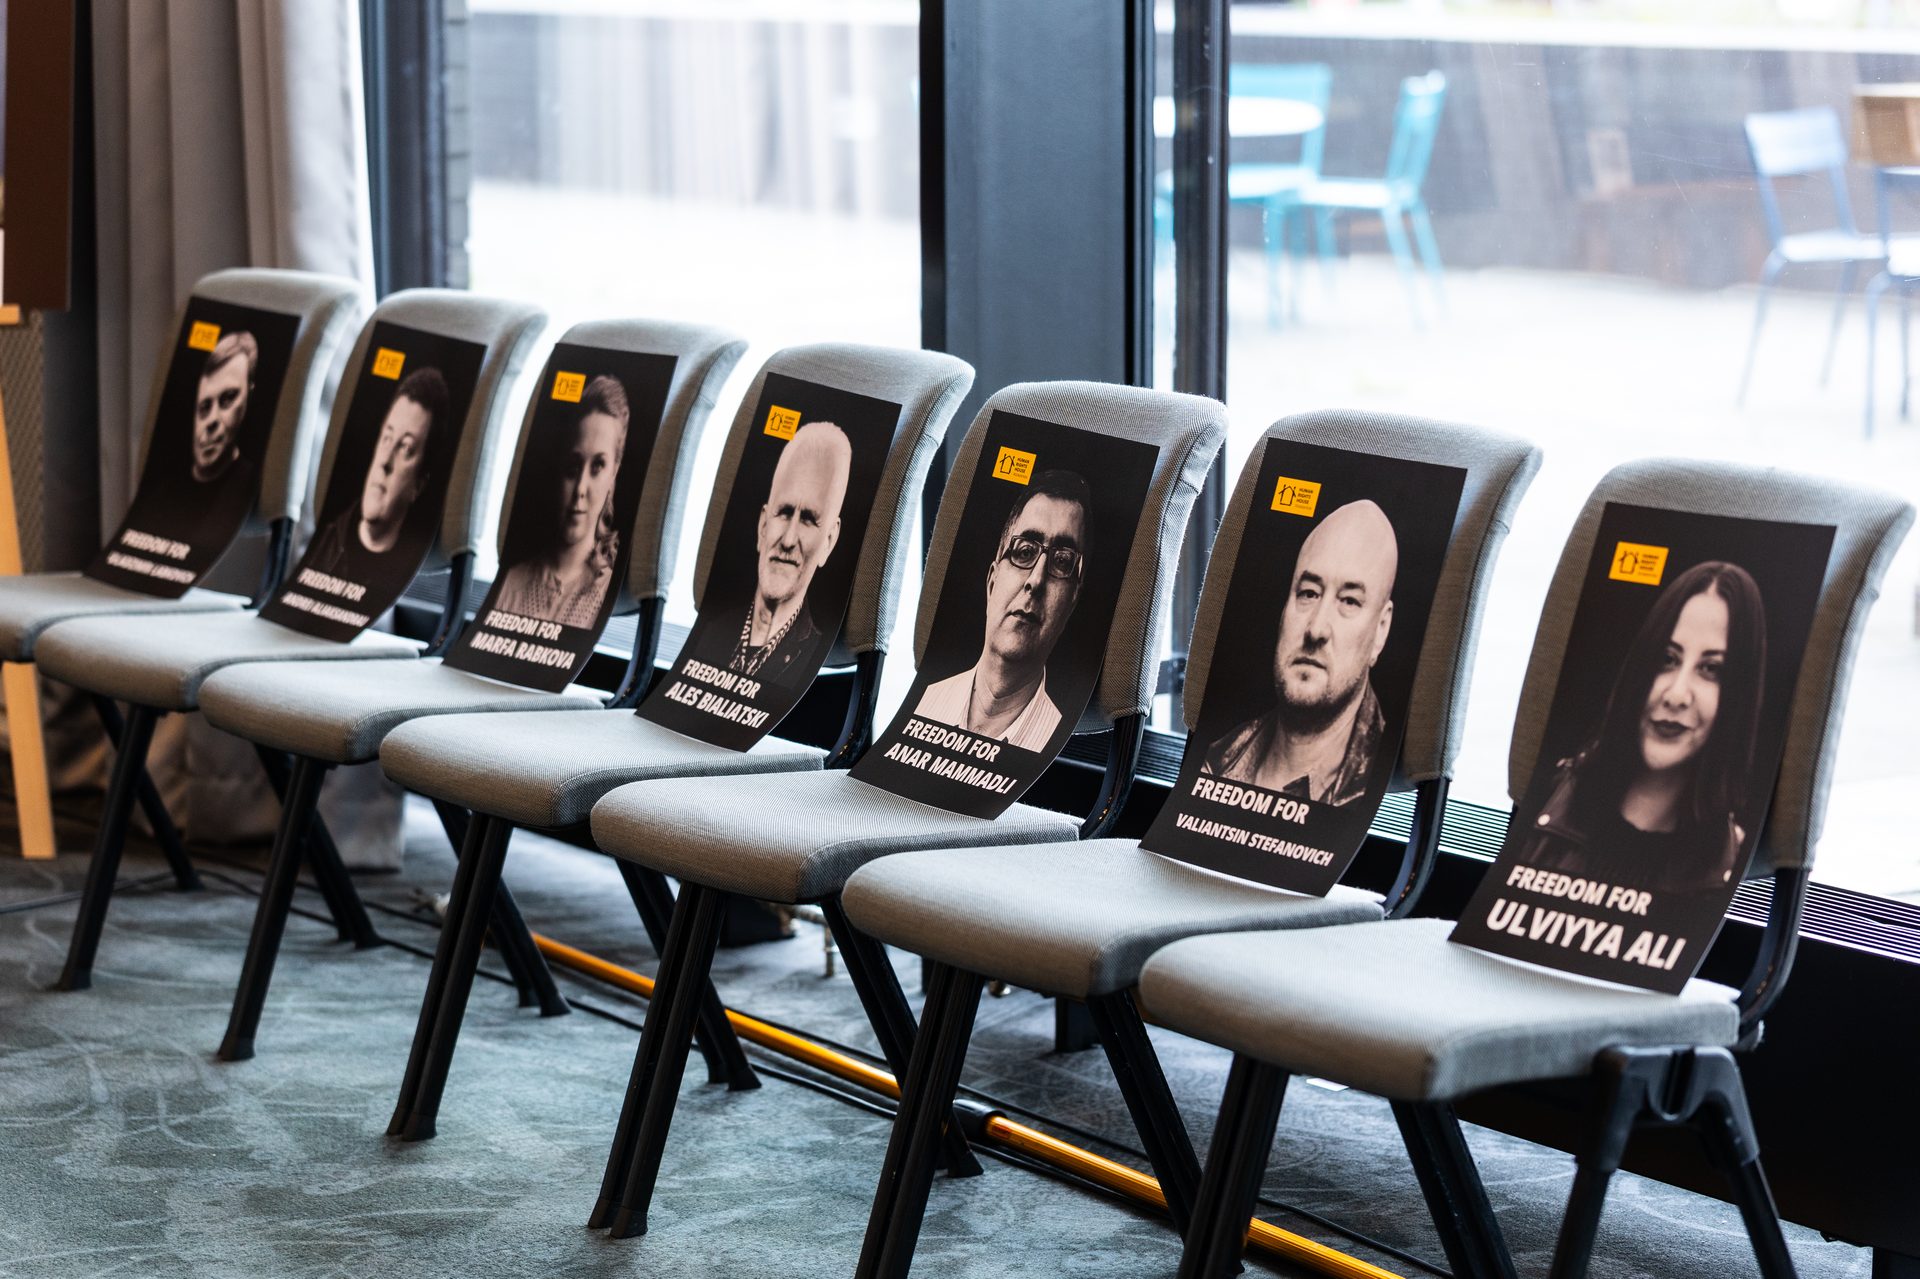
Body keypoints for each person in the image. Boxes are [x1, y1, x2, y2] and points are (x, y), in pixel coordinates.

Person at [1517, 560, 1768, 894]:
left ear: (1738, 696)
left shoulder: (1731, 866)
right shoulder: (1550, 796)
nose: (1677, 695)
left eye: (1711, 669)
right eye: (1667, 659)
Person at [1201, 498, 1398, 806]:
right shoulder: (1218, 759)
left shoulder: (1372, 783)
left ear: (1380, 630)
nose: (1316, 630)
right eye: (1308, 593)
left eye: (1349, 601)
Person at [914, 469, 1089, 750]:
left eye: (1061, 561)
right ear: (992, 582)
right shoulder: (928, 704)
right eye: (1024, 552)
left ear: (1071, 603)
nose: (1035, 581)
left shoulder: (1053, 737)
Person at [692, 420, 852, 686]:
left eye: (809, 520)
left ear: (829, 542)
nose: (788, 540)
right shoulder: (712, 632)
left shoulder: (814, 659)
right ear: (763, 525)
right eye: (785, 512)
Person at [495, 375, 630, 628]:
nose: (580, 488)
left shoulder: (607, 593)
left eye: (597, 466)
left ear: (614, 473)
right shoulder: (512, 583)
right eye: (573, 466)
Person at [304, 366, 451, 586]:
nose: (385, 462)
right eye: (387, 438)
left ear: (419, 485)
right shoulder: (325, 546)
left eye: (406, 448)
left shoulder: (404, 571)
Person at [190, 331, 259, 485]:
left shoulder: (255, 483)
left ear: (249, 396)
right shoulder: (159, 492)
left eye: (228, 398)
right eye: (204, 407)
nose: (212, 420)